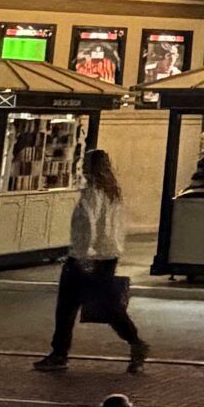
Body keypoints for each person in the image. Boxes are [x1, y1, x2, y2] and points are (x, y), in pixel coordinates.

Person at [34, 150, 147, 373]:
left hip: (86, 257)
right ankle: (135, 343)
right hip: (108, 255)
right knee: (108, 305)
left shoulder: (91, 193)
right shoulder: (113, 193)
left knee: (66, 307)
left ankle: (59, 354)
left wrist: (83, 255)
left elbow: (88, 226)